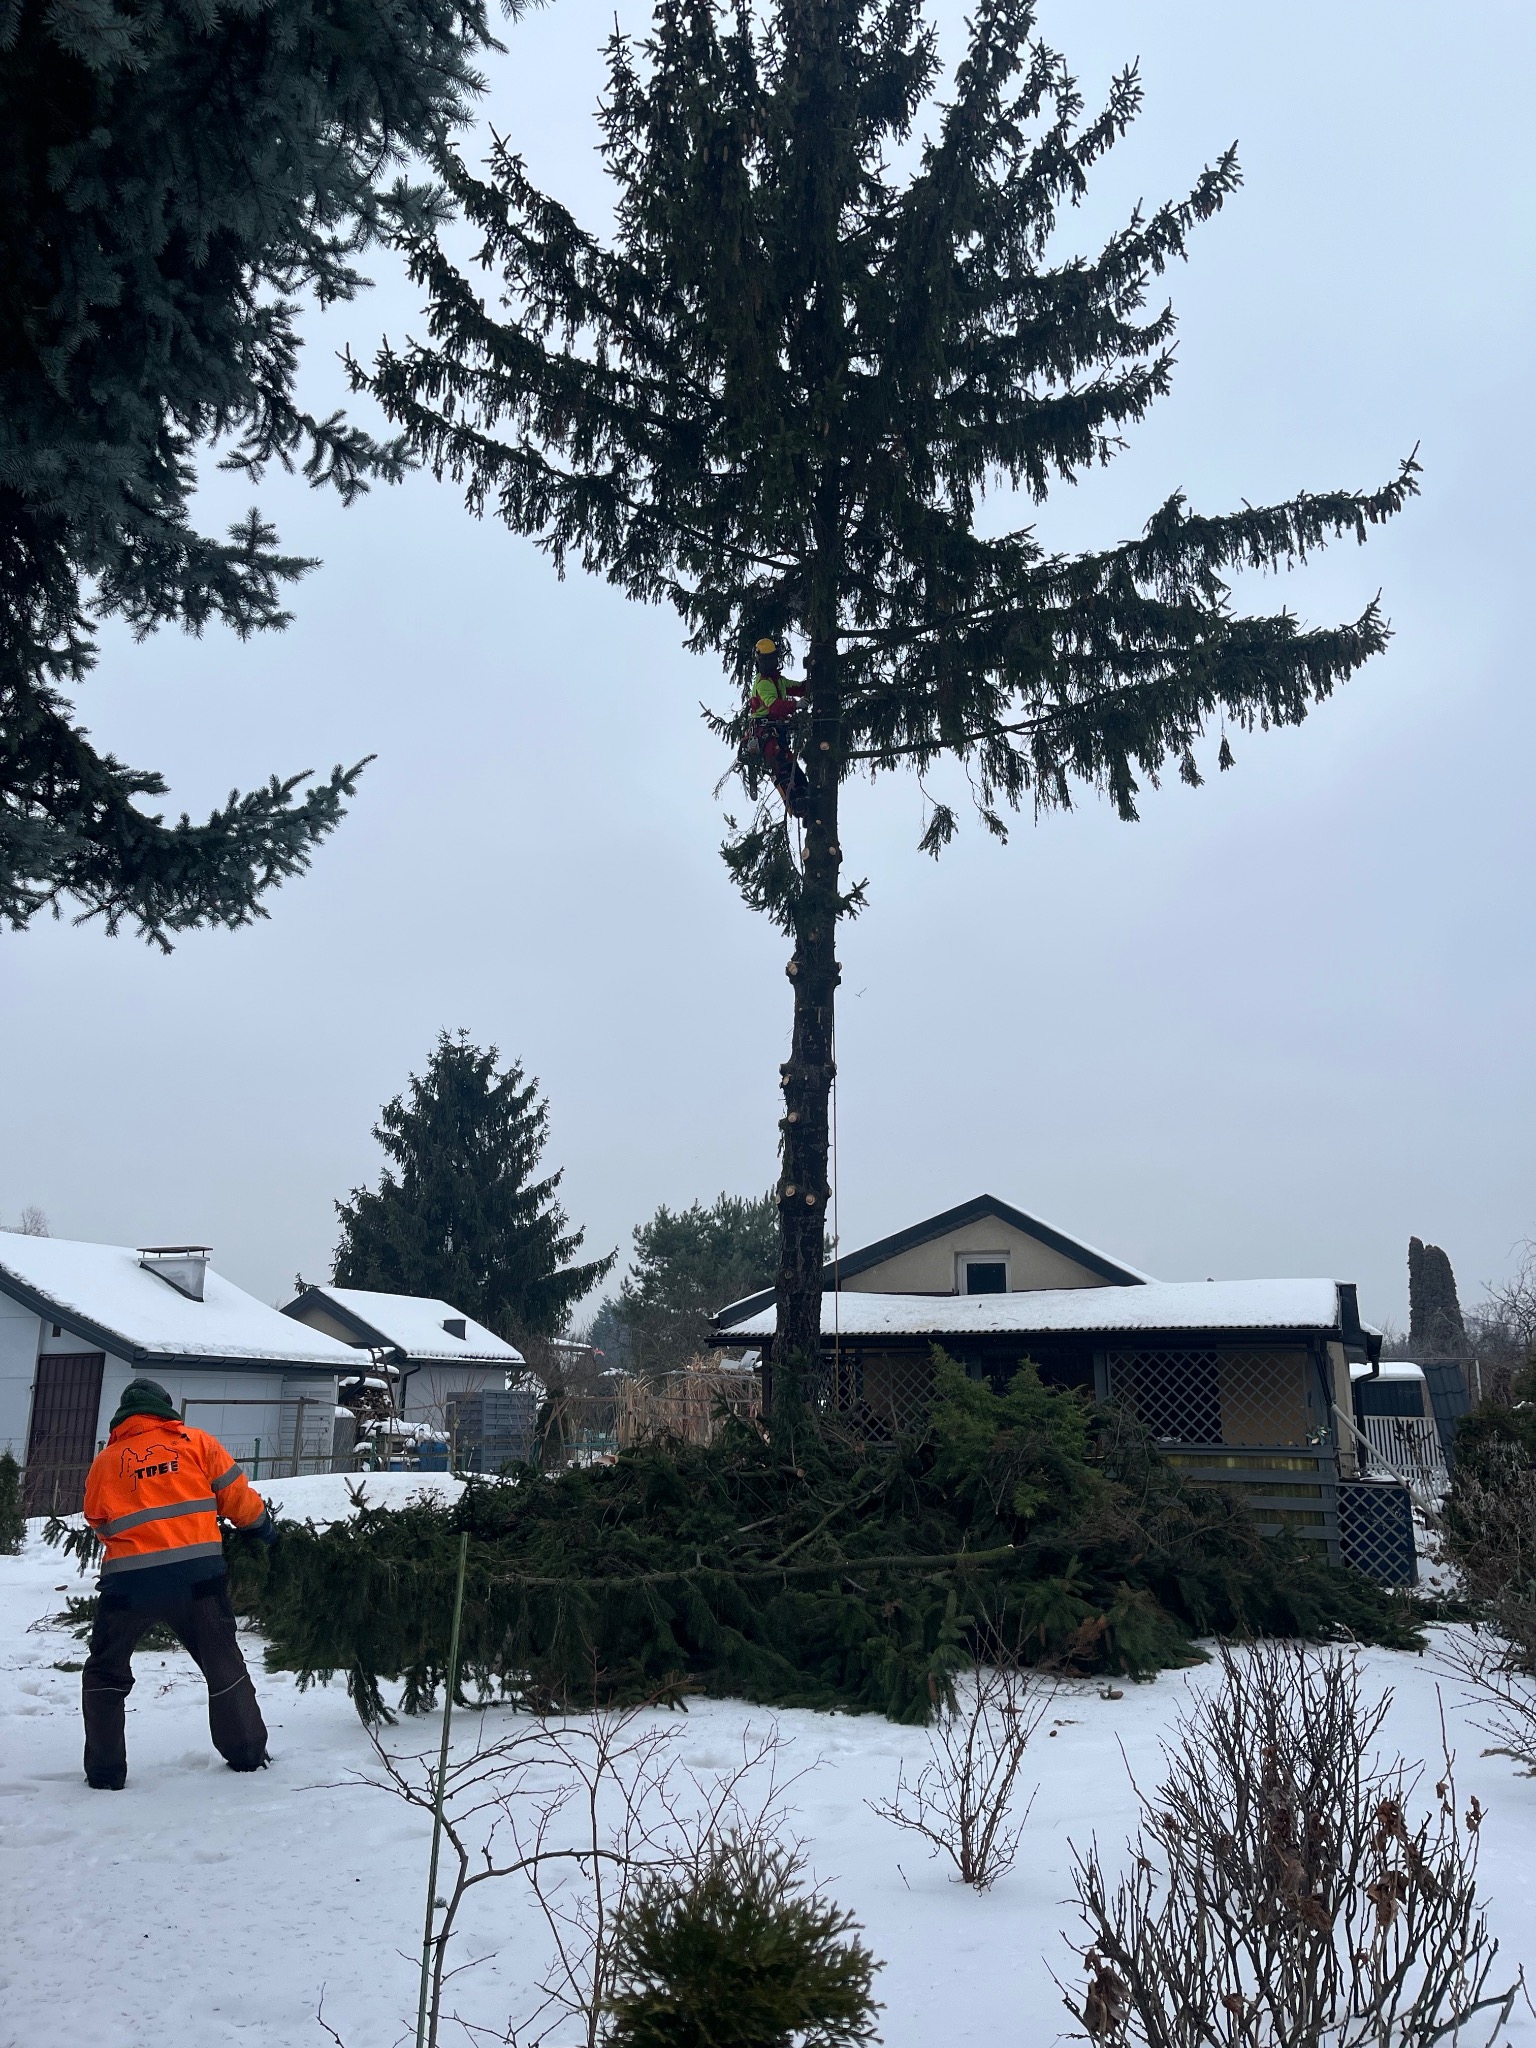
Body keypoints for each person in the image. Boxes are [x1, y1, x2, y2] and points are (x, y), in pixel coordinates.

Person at [80, 1377, 278, 1789]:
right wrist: (262, 1530)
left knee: (105, 1671)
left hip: (128, 1584)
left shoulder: (106, 1460)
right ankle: (246, 1754)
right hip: (197, 1577)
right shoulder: (196, 1443)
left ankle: (105, 1773)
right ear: (165, 1408)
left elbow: (96, 1519)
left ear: (124, 1415)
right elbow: (236, 1498)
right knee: (222, 1661)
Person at [747, 637, 811, 819]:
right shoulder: (763, 683)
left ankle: (805, 795)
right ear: (760, 662)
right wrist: (795, 706)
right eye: (766, 660)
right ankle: (795, 804)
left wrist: (811, 681)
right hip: (766, 734)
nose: (770, 663)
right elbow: (773, 706)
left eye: (772, 659)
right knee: (783, 768)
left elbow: (798, 688)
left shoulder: (778, 680)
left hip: (776, 734)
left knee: (793, 769)